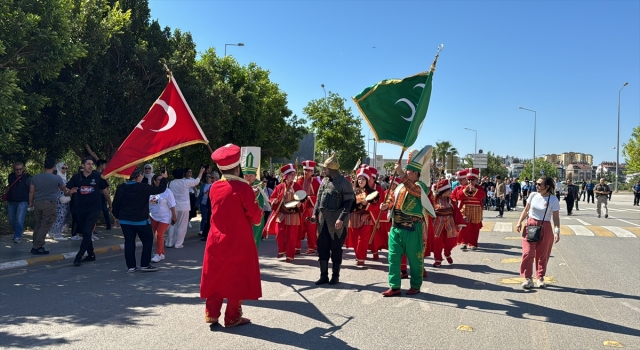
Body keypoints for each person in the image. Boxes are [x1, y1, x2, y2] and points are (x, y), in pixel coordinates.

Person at [201, 143, 263, 327]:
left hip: (216, 238)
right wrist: (253, 198)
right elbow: (256, 217)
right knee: (237, 277)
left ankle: (211, 314)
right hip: (238, 240)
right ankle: (232, 316)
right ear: (237, 167)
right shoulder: (243, 187)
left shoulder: (214, 187)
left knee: (216, 276)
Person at [379, 146, 434, 296]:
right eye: (406, 171)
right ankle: (395, 286)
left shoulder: (422, 186)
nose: (406, 172)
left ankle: (415, 285)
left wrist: (401, 173)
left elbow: (415, 192)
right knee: (393, 258)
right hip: (396, 227)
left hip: (412, 227)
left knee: (415, 260)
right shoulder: (399, 187)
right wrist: (386, 205)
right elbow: (393, 200)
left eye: (408, 171)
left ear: (416, 173)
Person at [112, 168, 168, 272]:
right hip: (141, 220)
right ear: (138, 177)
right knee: (147, 241)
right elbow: (159, 189)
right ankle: (145, 264)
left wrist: (116, 217)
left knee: (129, 242)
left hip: (125, 220)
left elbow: (116, 204)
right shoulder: (143, 187)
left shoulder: (122, 187)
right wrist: (164, 179)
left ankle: (131, 267)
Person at [312, 153, 355, 285]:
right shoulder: (324, 181)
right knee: (322, 248)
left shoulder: (344, 183)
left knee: (336, 249)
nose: (324, 171)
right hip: (323, 220)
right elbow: (319, 199)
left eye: (325, 169)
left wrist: (341, 218)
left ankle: (335, 276)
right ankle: (323, 275)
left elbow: (349, 203)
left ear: (331, 169)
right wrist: (315, 214)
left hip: (337, 221)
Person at [515, 176, 560, 289]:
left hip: (545, 227)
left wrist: (557, 231)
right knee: (528, 253)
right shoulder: (533, 195)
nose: (537, 185)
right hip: (530, 225)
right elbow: (526, 210)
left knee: (542, 255)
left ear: (547, 186)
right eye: (537, 183)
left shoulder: (553, 199)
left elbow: (556, 218)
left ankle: (540, 277)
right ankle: (528, 278)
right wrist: (519, 222)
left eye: (540, 184)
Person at [66, 157, 111, 267]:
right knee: (85, 232)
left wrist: (110, 204)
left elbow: (105, 191)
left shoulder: (97, 176)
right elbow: (66, 192)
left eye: (92, 164)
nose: (91, 166)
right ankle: (91, 254)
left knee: (87, 232)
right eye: (88, 164)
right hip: (80, 209)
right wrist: (70, 192)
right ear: (83, 165)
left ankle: (79, 256)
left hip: (94, 209)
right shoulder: (76, 178)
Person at [28, 158, 74, 254]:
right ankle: (37, 246)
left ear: (44, 166)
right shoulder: (57, 178)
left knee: (38, 224)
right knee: (45, 225)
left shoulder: (35, 178)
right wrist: (71, 191)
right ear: (53, 167)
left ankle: (35, 244)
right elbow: (64, 190)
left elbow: (31, 191)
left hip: (37, 203)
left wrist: (31, 203)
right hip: (49, 204)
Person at [268, 164, 303, 262]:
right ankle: (282, 250)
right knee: (279, 233)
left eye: (294, 174)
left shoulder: (297, 186)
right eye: (291, 174)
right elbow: (272, 197)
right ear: (286, 176)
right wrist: (274, 200)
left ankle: (290, 255)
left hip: (293, 214)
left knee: (291, 236)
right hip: (282, 213)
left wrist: (301, 203)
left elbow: (303, 198)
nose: (293, 176)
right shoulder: (280, 186)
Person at [165, 166, 205, 248]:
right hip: (184, 207)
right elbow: (197, 181)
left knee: (172, 224)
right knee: (182, 225)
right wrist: (201, 172)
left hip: (173, 206)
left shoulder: (170, 183)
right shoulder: (186, 182)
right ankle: (178, 243)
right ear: (183, 174)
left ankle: (169, 242)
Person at [431, 179, 465, 267]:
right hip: (437, 224)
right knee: (437, 243)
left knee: (450, 242)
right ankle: (438, 259)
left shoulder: (450, 201)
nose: (451, 191)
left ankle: (447, 253)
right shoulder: (434, 200)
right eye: (449, 190)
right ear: (443, 191)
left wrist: (459, 223)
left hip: (449, 223)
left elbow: (456, 211)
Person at [347, 167, 376, 266]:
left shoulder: (372, 192)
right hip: (354, 216)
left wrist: (367, 203)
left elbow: (376, 206)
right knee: (355, 238)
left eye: (363, 179)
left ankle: (361, 258)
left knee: (362, 239)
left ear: (367, 180)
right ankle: (358, 255)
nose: (361, 181)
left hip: (366, 217)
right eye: (359, 179)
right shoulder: (352, 191)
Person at [453, 168, 486, 251]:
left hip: (476, 210)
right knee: (465, 227)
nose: (470, 182)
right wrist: (465, 190)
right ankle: (464, 242)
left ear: (476, 180)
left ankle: (473, 244)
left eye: (472, 180)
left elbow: (482, 196)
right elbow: (458, 196)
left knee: (474, 228)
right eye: (469, 180)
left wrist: (475, 190)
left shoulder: (479, 188)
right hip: (465, 210)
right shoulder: (463, 187)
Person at [241, 146, 267, 248]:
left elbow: (256, 192)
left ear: (255, 175)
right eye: (246, 175)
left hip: (256, 218)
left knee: (252, 243)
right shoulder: (242, 184)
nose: (248, 178)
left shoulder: (259, 184)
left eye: (250, 175)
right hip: (243, 218)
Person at [149, 174, 177, 263]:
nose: (160, 181)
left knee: (159, 235)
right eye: (158, 179)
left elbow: (172, 205)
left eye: (162, 180)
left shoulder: (167, 191)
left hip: (164, 217)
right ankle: (162, 253)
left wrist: (174, 216)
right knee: (157, 236)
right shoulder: (151, 191)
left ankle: (158, 254)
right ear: (154, 181)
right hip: (153, 216)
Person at [296, 160, 321, 254]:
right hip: (300, 208)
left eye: (309, 170)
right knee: (299, 227)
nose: (307, 172)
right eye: (305, 170)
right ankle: (296, 246)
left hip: (311, 208)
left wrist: (309, 197)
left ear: (312, 172)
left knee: (311, 228)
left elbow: (319, 196)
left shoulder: (316, 183)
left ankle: (311, 246)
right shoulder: (298, 181)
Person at [6, 162, 31, 243]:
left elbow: (31, 190)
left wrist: (31, 202)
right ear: (14, 169)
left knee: (19, 220)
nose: (18, 171)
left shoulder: (27, 178)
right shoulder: (11, 176)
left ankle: (17, 236)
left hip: (22, 201)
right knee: (11, 219)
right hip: (11, 201)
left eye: (20, 169)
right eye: (16, 169)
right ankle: (18, 231)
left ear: (23, 169)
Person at [48, 162, 71, 240]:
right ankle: (57, 234)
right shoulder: (57, 178)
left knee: (58, 217)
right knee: (60, 217)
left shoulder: (63, 177)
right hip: (59, 200)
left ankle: (52, 233)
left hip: (63, 200)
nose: (64, 170)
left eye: (65, 168)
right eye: (63, 168)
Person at [95, 159, 112, 231]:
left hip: (103, 194)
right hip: (95, 194)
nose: (105, 166)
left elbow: (108, 184)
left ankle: (109, 225)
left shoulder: (105, 173)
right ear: (100, 165)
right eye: (104, 165)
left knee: (104, 209)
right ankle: (93, 227)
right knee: (95, 210)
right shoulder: (94, 173)